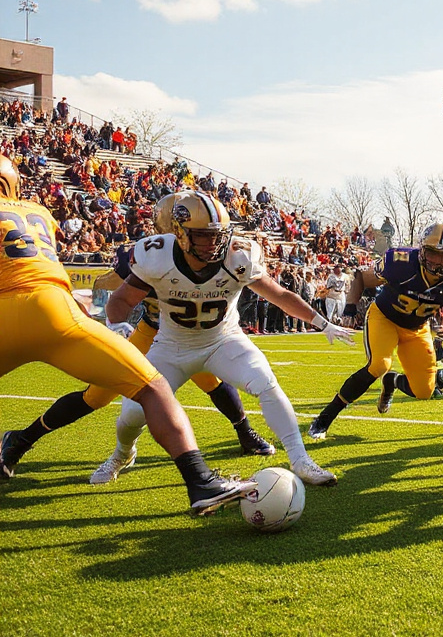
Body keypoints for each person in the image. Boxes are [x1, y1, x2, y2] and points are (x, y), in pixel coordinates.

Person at [0, 159, 254, 515]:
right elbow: (114, 289)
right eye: (195, 230)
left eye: (208, 233)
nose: (204, 239)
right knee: (100, 396)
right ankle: (21, 440)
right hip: (146, 331)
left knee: (209, 379)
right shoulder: (144, 250)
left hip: (184, 334)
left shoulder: (214, 250)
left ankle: (242, 437)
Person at [96, 191, 351, 487]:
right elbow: (120, 300)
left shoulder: (238, 255)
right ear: (179, 233)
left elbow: (279, 295)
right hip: (172, 346)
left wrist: (322, 323)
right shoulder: (156, 255)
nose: (213, 242)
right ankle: (122, 454)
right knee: (132, 413)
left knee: (266, 383)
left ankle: (300, 459)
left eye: (218, 234)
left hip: (223, 340)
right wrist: (115, 328)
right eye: (203, 236)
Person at [309, 223, 443, 439]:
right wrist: (350, 308)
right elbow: (362, 277)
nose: (436, 261)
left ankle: (392, 381)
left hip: (417, 328)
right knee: (379, 364)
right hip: (384, 317)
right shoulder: (400, 262)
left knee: (425, 391)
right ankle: (325, 418)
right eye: (432, 253)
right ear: (423, 249)